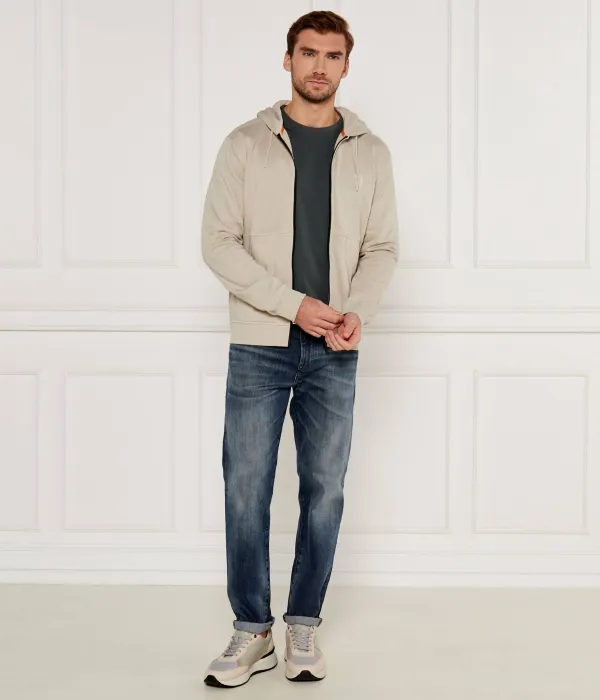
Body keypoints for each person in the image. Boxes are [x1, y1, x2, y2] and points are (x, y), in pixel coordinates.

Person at [201, 9, 398, 688]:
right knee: (245, 490)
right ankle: (252, 630)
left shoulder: (370, 152)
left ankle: (303, 625)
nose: (320, 66)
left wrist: (355, 311)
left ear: (346, 65)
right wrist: (295, 306)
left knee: (324, 492)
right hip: (261, 346)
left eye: (332, 55)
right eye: (308, 53)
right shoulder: (245, 145)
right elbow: (217, 244)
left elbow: (381, 247)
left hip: (335, 348)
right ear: (287, 60)